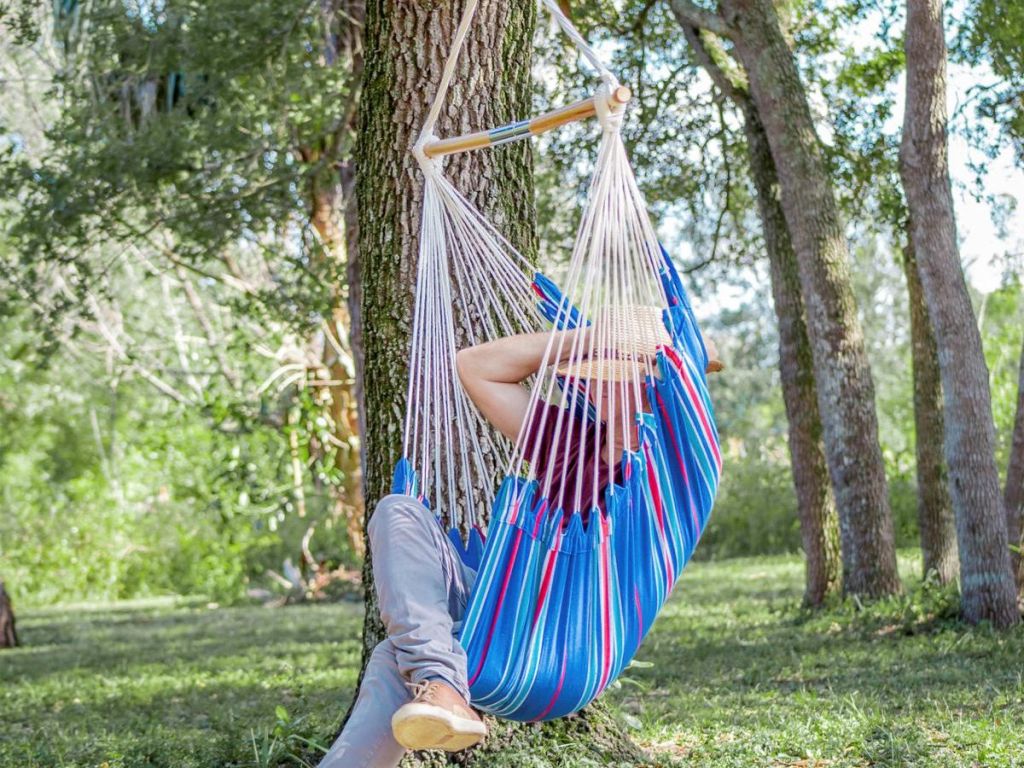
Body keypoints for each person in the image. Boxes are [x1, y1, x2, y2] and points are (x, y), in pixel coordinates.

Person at [319, 321, 720, 768]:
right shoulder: (570, 443)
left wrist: (641, 351)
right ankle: (441, 682)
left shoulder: (671, 479)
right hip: (498, 611)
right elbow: (474, 367)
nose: (600, 390)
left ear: (656, 388)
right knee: (397, 511)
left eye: (619, 377)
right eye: (593, 378)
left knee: (396, 656)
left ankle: (440, 679)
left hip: (563, 644)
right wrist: (595, 339)